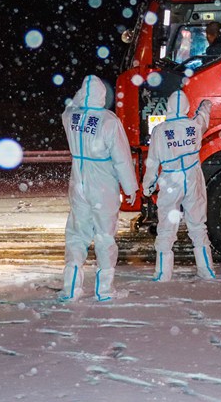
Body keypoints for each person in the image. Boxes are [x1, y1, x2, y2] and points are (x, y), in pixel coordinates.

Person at [60, 75, 138, 302]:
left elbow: (70, 107)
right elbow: (122, 159)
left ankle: (71, 287)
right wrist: (130, 187)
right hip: (103, 184)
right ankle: (104, 290)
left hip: (79, 183)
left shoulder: (71, 118)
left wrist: (79, 98)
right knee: (105, 236)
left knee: (77, 235)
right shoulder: (108, 121)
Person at [142, 90, 215, 281]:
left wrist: (148, 185)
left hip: (170, 181)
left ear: (169, 107)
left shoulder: (159, 130)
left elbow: (152, 161)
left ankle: (162, 274)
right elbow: (203, 117)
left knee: (166, 227)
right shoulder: (193, 126)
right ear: (186, 107)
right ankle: (206, 270)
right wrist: (206, 103)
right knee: (198, 225)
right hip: (192, 178)